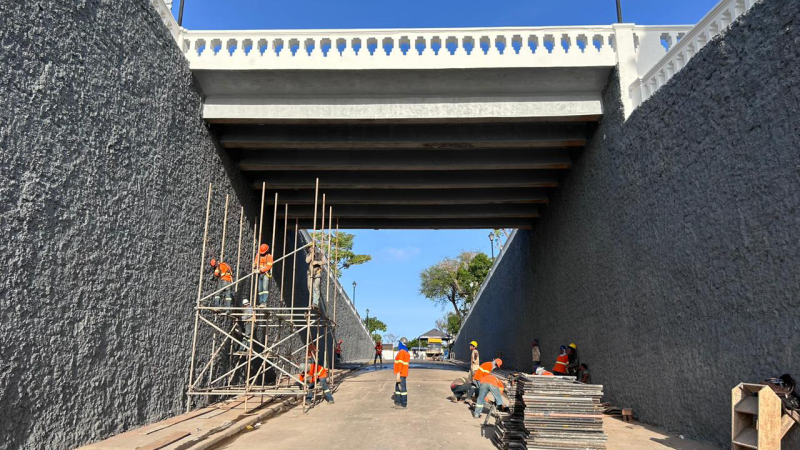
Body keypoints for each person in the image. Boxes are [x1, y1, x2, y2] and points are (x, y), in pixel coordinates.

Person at [393, 338, 410, 408]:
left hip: (401, 373)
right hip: (403, 373)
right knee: (398, 387)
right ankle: (398, 401)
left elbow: (400, 364)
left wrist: (398, 374)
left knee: (402, 388)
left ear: (401, 343)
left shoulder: (401, 352)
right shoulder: (405, 352)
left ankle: (403, 403)